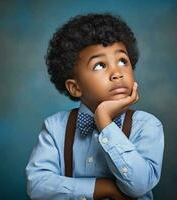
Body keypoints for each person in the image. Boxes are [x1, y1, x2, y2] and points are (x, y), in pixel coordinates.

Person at [26, 13, 164, 200]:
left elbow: (140, 186)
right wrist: (102, 188)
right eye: (99, 65)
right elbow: (37, 186)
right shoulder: (55, 127)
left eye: (123, 61)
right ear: (75, 87)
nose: (117, 73)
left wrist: (105, 124)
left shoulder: (147, 125)